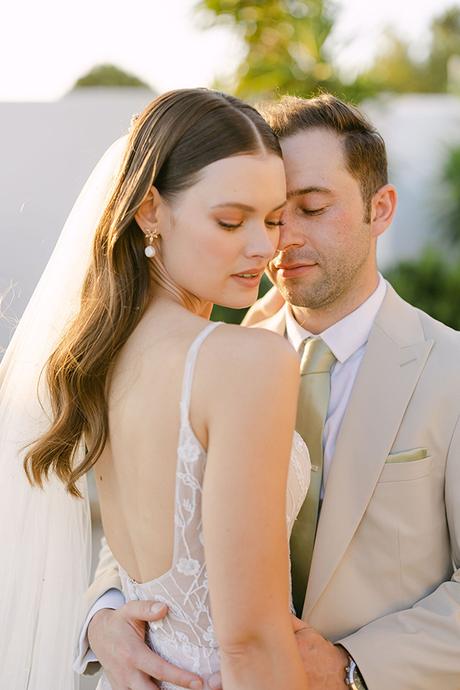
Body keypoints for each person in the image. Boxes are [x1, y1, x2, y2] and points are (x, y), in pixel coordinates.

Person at [79, 94, 460, 690]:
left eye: (310, 208)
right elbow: (172, 527)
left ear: (380, 208)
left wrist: (352, 667)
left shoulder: (452, 371)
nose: (278, 240)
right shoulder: (220, 357)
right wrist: (104, 616)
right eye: (268, 214)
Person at [0, 89, 313, 690]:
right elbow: (250, 642)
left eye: (273, 219)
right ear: (150, 211)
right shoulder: (247, 362)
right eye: (231, 220)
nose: (262, 246)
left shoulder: (102, 358)